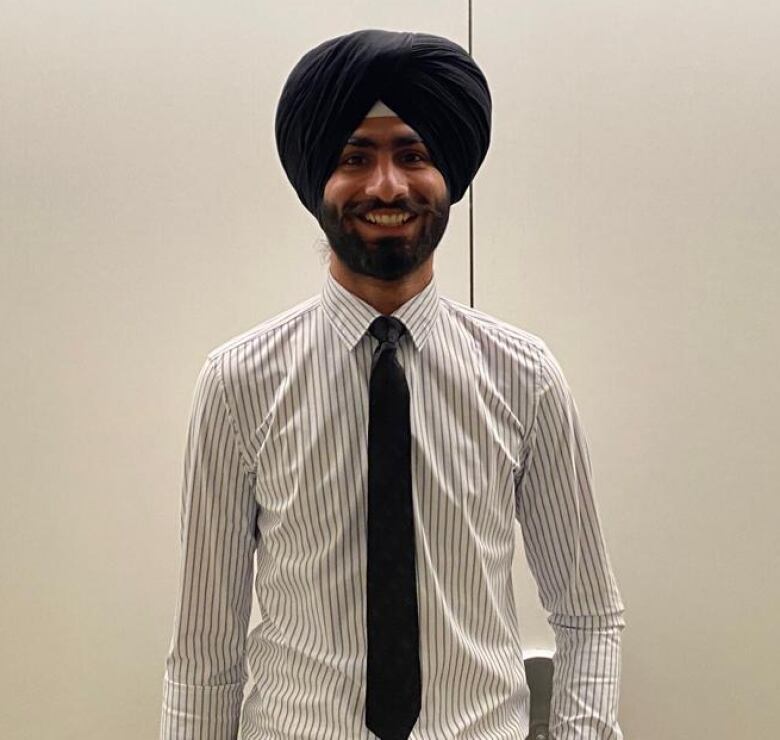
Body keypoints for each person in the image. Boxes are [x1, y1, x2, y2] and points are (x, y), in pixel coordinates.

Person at [160, 29, 625, 740]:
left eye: (413, 155)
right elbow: (203, 652)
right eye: (354, 158)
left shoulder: (524, 378)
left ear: (448, 179)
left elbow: (589, 614)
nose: (386, 185)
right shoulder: (238, 385)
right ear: (319, 180)